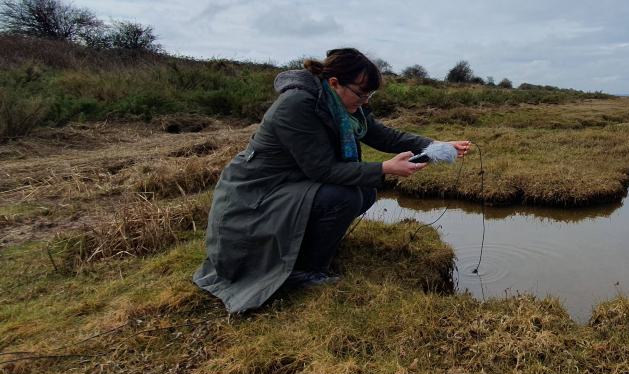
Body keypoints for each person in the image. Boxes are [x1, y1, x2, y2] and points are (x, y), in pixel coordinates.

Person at [193, 48, 471, 313]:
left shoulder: (343, 106)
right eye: (361, 93)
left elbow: (383, 135)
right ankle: (306, 271)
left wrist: (435, 145)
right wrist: (384, 168)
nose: (365, 102)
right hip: (257, 195)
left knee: (364, 190)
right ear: (335, 82)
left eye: (370, 95)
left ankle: (304, 250)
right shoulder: (297, 105)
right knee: (345, 196)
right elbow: (323, 170)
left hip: (292, 183)